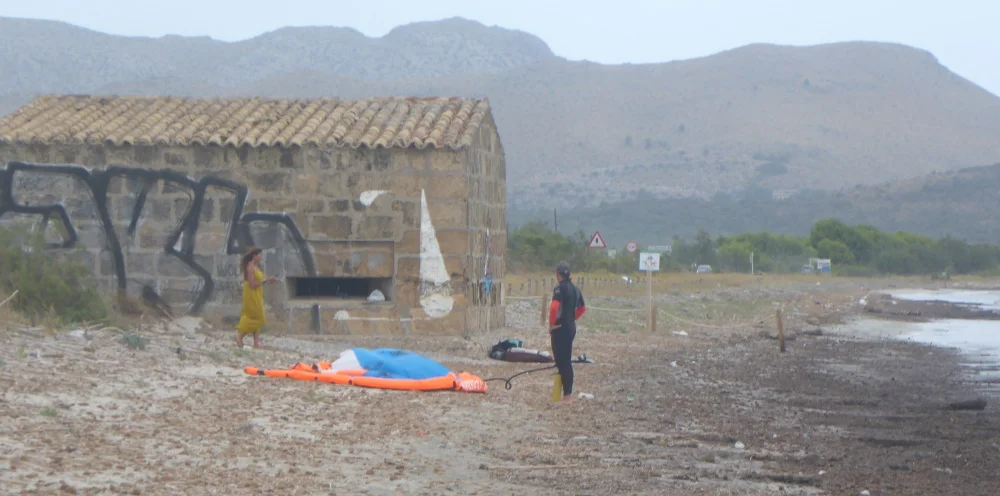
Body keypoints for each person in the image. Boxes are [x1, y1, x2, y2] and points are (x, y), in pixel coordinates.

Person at [548, 261, 587, 402]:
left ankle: (566, 396)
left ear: (558, 275)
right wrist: (572, 318)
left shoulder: (560, 289)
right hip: (571, 327)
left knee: (562, 361)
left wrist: (552, 324)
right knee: (565, 360)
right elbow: (582, 308)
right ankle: (564, 394)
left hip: (560, 328)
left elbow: (554, 307)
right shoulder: (576, 289)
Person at [235, 247, 277, 348]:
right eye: (259, 255)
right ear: (254, 256)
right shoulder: (250, 267)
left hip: (257, 294)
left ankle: (256, 343)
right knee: (259, 318)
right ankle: (239, 336)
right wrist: (266, 281)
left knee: (255, 317)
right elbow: (252, 284)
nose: (261, 257)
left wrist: (267, 280)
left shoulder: (256, 267)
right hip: (251, 295)